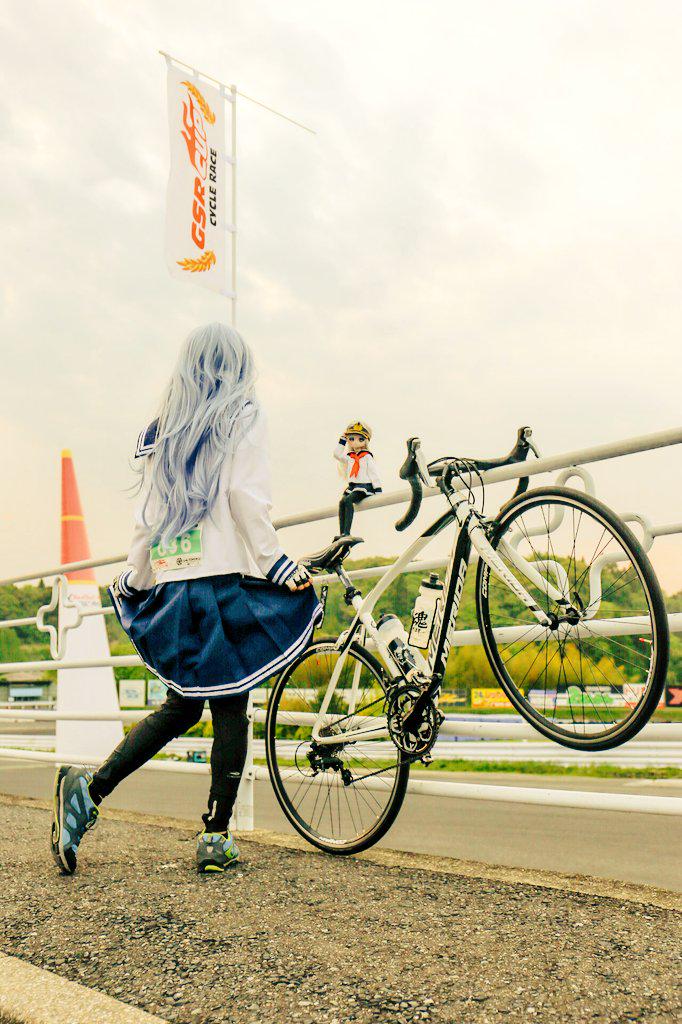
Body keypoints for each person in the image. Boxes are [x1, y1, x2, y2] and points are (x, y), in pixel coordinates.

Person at [50, 323, 321, 875]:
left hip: (174, 587)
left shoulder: (162, 430)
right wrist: (275, 563)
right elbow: (246, 497)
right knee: (231, 704)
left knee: (183, 705)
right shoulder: (242, 415)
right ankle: (215, 836)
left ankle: (88, 792)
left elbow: (149, 517)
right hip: (219, 583)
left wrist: (135, 578)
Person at [334, 420, 382, 537]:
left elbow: (373, 473)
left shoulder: (367, 456)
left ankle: (347, 532)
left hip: (364, 487)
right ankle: (342, 533)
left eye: (360, 439)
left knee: (348, 500)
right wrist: (342, 441)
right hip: (353, 486)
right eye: (351, 439)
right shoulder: (350, 457)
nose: (355, 442)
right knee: (342, 502)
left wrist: (378, 489)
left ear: (366, 441)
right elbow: (337, 455)